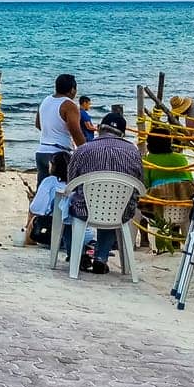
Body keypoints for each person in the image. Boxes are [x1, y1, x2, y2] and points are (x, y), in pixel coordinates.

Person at [67, 109, 143, 274]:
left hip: (85, 208)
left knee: (64, 206)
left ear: (100, 128)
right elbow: (139, 183)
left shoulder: (83, 149)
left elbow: (71, 182)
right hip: (120, 210)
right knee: (113, 203)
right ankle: (101, 257)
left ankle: (77, 255)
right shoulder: (134, 152)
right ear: (122, 134)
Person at [34, 73, 88, 182]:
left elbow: (38, 125)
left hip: (41, 151)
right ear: (72, 90)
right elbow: (76, 132)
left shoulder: (45, 100)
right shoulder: (69, 105)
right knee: (63, 189)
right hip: (58, 154)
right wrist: (86, 151)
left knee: (43, 190)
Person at [26, 151, 72, 246]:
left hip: (50, 233)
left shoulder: (50, 181)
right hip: (75, 231)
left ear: (54, 166)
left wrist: (32, 201)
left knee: (34, 218)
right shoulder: (75, 182)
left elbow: (36, 208)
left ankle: (29, 242)